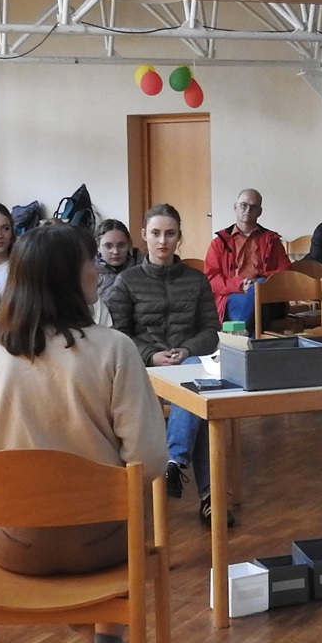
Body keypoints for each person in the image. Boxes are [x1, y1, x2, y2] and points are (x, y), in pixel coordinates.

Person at [0, 224, 167, 643]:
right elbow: (150, 461)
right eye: (89, 261)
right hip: (100, 543)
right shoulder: (114, 349)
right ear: (69, 276)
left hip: (18, 547)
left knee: (74, 542)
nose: (97, 268)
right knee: (126, 528)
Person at [106, 205, 223, 525]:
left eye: (170, 234)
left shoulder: (196, 280)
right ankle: (209, 496)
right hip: (145, 368)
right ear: (144, 236)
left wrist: (186, 350)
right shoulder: (127, 282)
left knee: (197, 387)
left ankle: (175, 463)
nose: (162, 241)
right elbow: (118, 334)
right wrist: (151, 356)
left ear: (179, 237)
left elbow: (212, 331)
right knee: (200, 401)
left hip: (191, 361)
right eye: (155, 233)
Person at [203, 188, 291, 325]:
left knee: (259, 290)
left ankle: (241, 334)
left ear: (260, 212)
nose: (248, 210)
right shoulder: (219, 243)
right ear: (235, 207)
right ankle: (250, 335)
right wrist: (240, 284)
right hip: (234, 295)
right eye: (244, 205)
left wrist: (260, 280)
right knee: (256, 311)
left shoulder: (271, 240)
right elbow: (211, 278)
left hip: (268, 296)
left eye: (253, 206)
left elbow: (286, 272)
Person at [91, 218, 143, 329]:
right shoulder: (88, 272)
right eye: (108, 246)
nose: (115, 252)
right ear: (98, 246)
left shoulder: (142, 269)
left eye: (121, 245)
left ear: (129, 244)